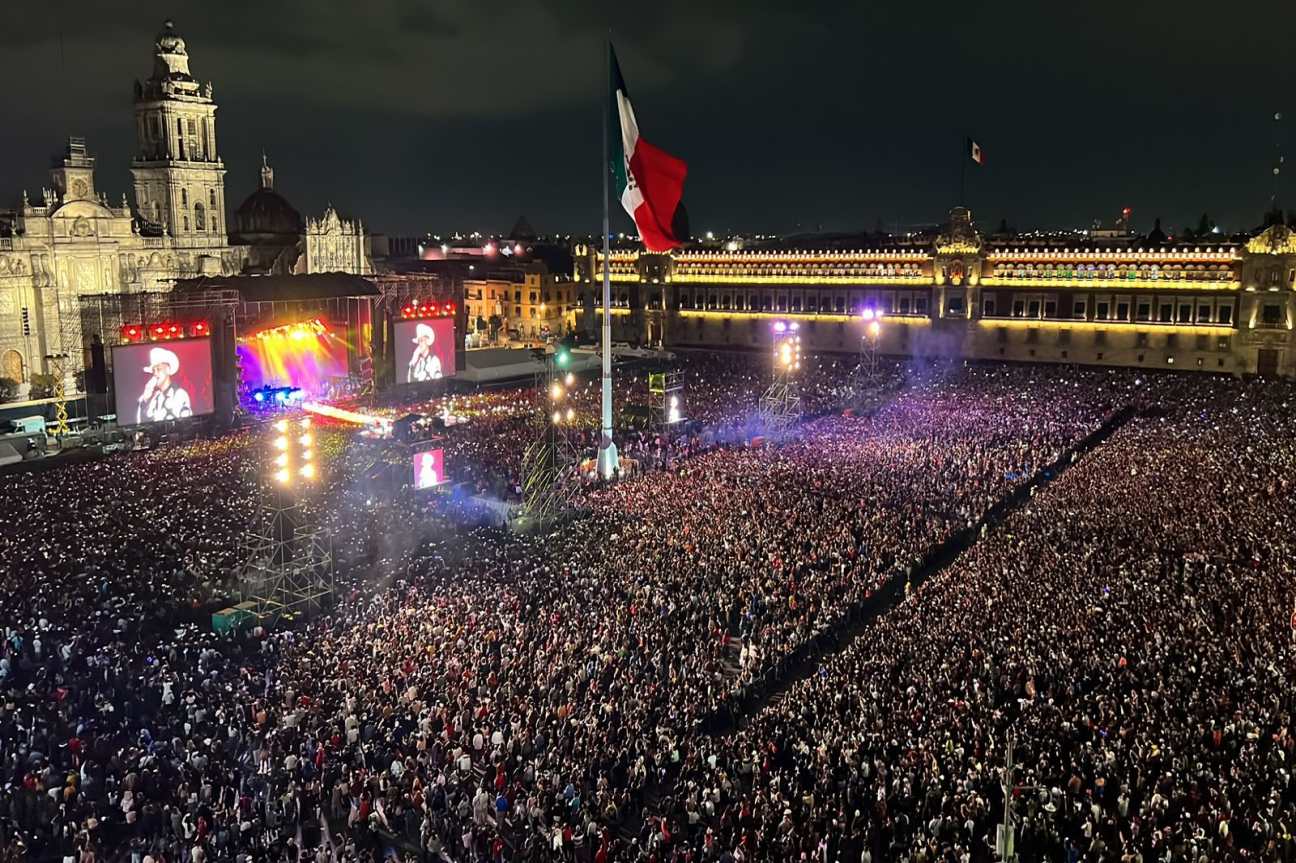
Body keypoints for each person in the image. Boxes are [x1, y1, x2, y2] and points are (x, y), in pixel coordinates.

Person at [136, 346, 192, 423]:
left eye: (158, 369)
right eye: (153, 370)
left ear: (168, 370)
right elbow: (142, 424)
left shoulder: (179, 394)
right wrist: (145, 400)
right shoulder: (154, 398)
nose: (155, 373)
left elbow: (186, 423)